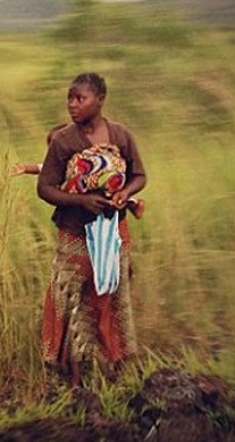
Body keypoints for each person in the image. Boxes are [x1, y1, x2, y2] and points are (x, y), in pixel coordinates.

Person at [36, 72, 147, 389]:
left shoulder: (121, 135)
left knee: (111, 296)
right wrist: (80, 200)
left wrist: (125, 193)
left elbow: (139, 175)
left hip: (113, 233)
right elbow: (44, 188)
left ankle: (117, 369)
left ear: (99, 100)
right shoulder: (63, 141)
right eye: (69, 98)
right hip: (75, 234)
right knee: (70, 299)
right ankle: (71, 376)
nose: (72, 104)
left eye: (79, 98)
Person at [12, 123, 145, 219]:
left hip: (98, 191)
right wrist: (25, 168)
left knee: (115, 194)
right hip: (77, 201)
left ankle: (134, 205)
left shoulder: (80, 162)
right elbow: (40, 168)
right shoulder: (56, 165)